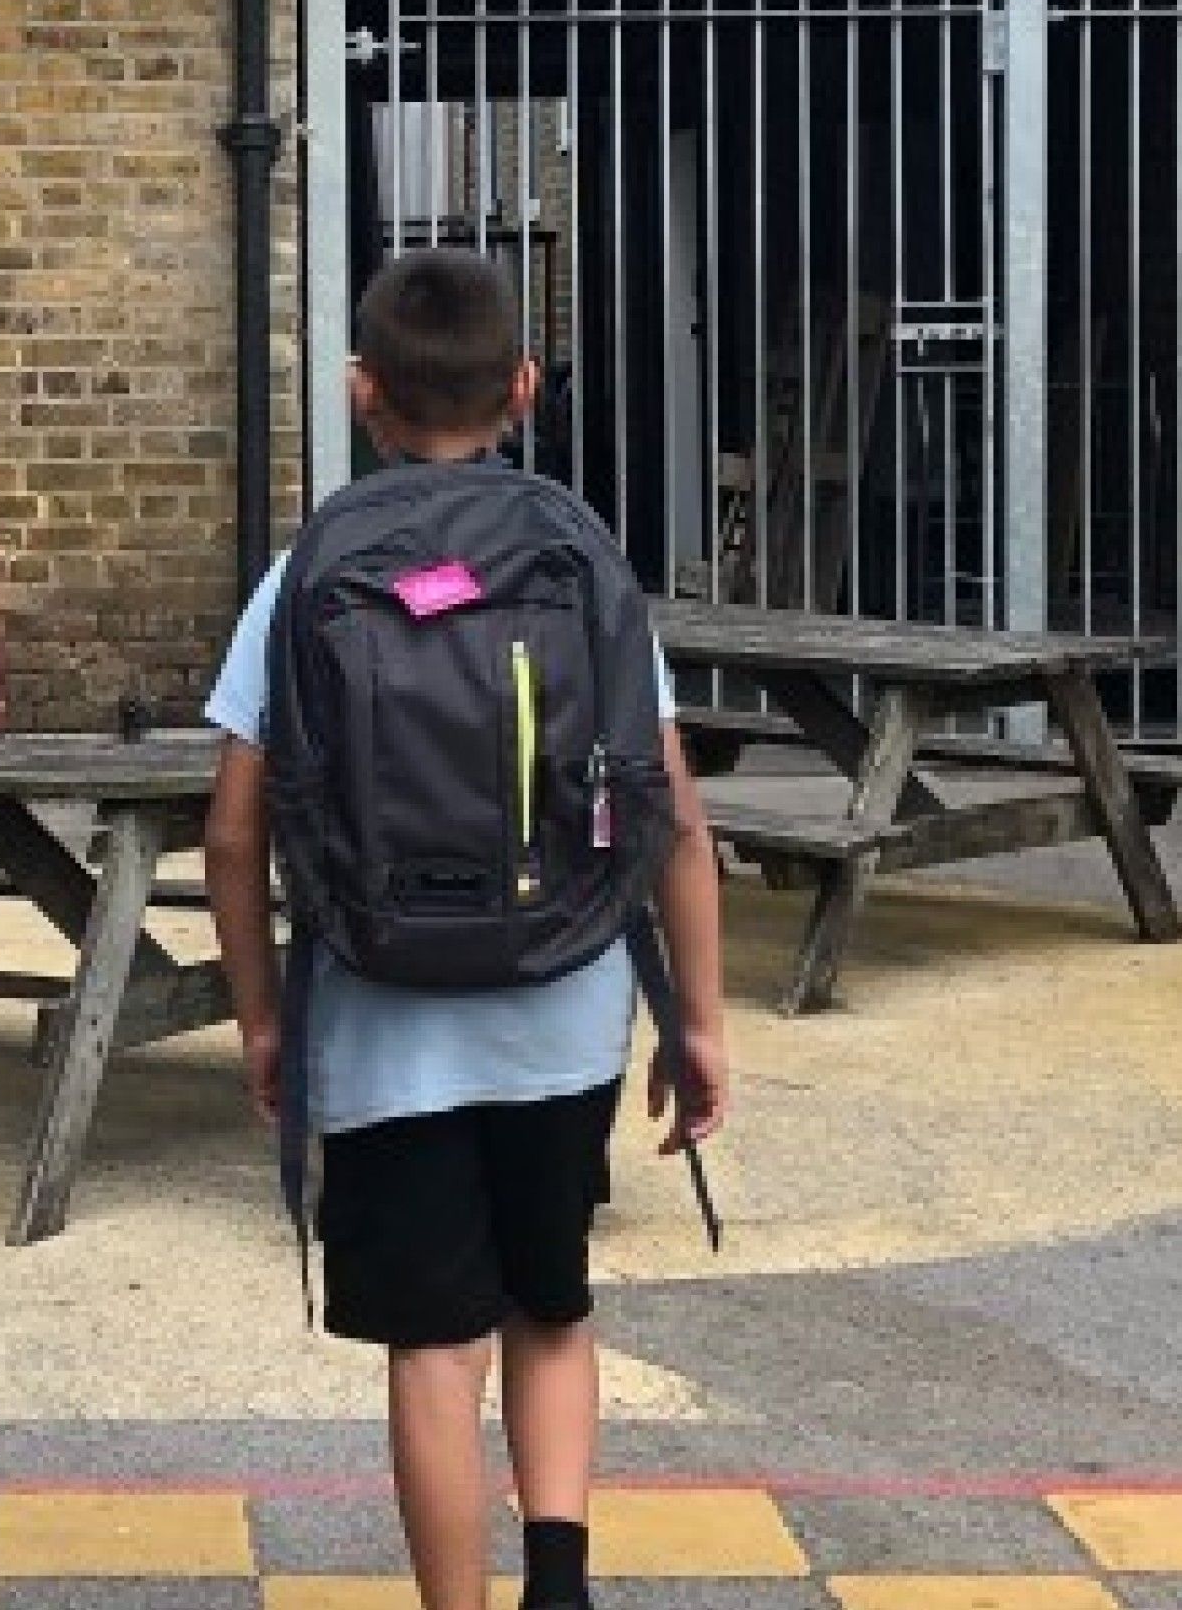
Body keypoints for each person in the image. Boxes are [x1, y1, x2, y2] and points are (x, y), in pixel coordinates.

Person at [200, 252, 733, 1610]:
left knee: (436, 1351)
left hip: (381, 1019)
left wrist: (266, 1018)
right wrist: (704, 1022)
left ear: (362, 393)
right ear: (526, 387)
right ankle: (559, 1579)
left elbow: (233, 832)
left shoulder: (307, 574)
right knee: (549, 1303)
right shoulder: (576, 554)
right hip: (563, 1005)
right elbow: (667, 802)